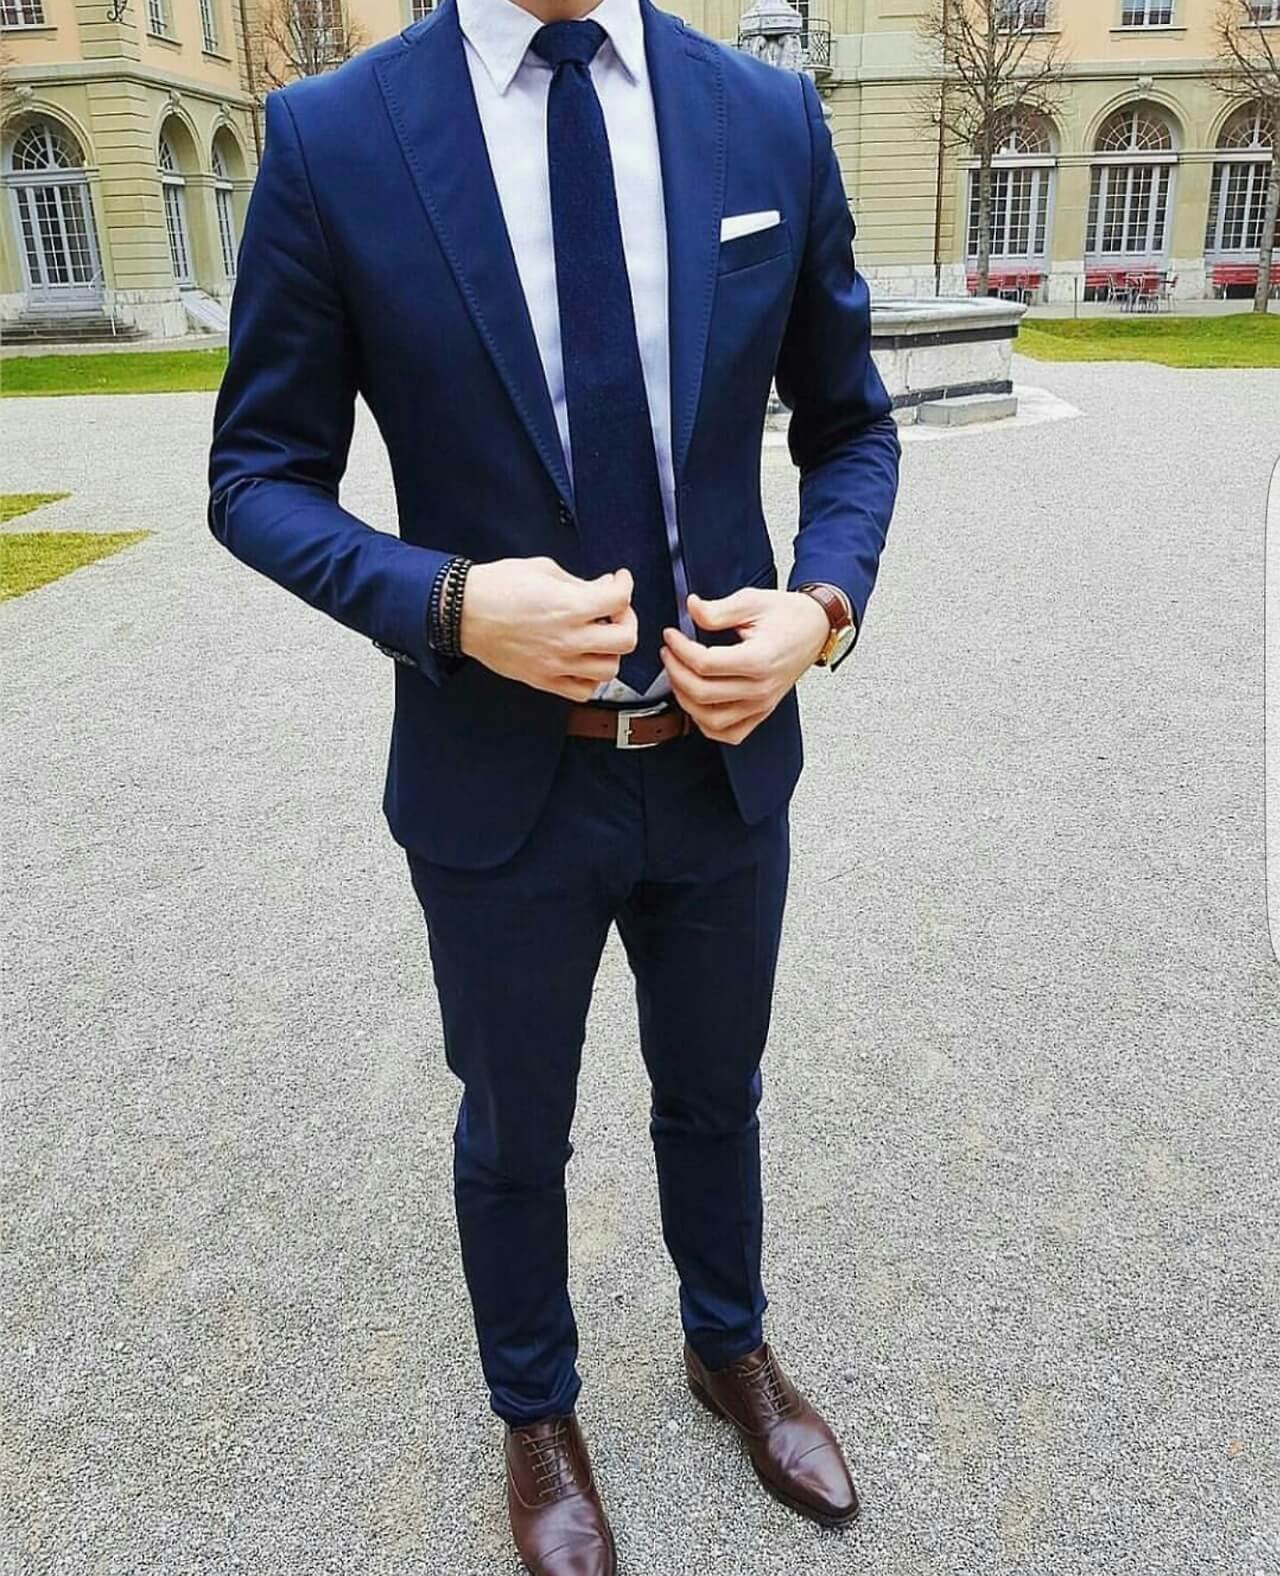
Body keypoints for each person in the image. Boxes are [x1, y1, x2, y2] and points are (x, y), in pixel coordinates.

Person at [207, 0, 900, 1566]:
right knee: (515, 1126)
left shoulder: (766, 120)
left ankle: (729, 1347)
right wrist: (449, 603)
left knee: (717, 1094)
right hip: (496, 779)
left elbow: (852, 429)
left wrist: (822, 609)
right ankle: (536, 1411)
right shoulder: (334, 139)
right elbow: (253, 477)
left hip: (722, 760)